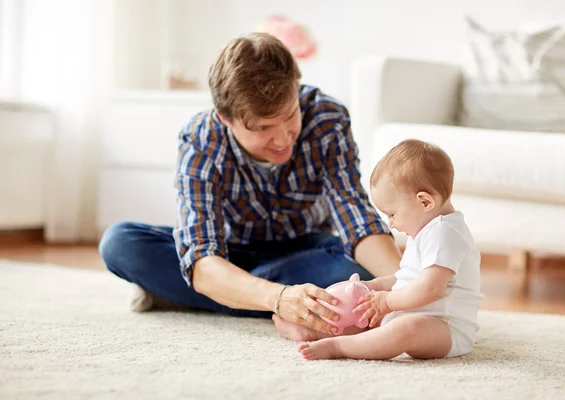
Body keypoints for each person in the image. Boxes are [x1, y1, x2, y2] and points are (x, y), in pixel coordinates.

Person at [98, 32, 401, 338]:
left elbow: (355, 218)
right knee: (120, 243)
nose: (284, 139)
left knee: (357, 271)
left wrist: (408, 286)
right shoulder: (201, 139)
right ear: (224, 118)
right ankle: (258, 296)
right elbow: (203, 257)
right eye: (263, 128)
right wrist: (280, 298)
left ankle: (202, 295)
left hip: (307, 252)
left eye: (291, 115)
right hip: (228, 254)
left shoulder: (327, 118)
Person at [297, 139, 483, 360]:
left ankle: (340, 347)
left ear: (424, 202)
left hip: (445, 328)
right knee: (362, 315)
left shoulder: (445, 233)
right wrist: (375, 286)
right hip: (409, 313)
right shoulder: (425, 229)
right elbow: (405, 278)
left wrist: (387, 302)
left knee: (405, 330)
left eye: (392, 214)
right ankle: (311, 328)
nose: (390, 223)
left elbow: (429, 289)